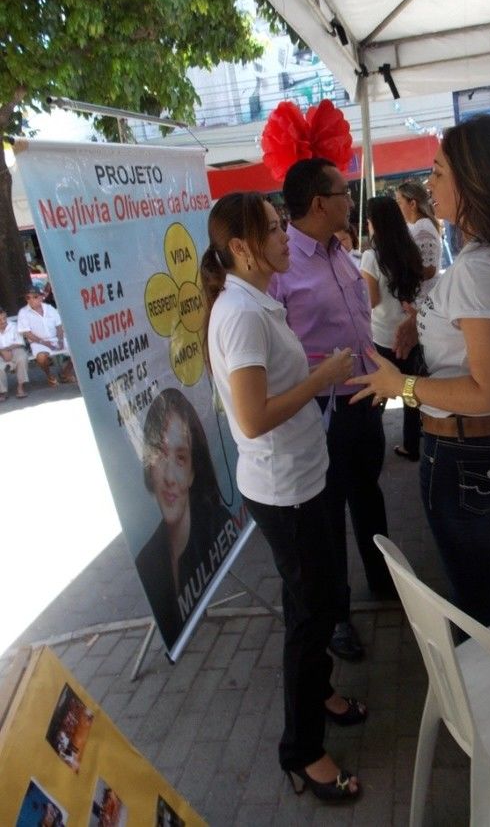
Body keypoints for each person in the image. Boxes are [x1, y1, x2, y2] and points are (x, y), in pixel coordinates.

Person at [349, 114, 490, 628]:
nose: (430, 183)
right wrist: (422, 320)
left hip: (471, 452)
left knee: (477, 596)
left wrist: (401, 386)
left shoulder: (480, 267)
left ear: (474, 183)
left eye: (440, 172)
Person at [202, 191, 363, 803]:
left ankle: (320, 692)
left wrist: (313, 370)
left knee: (313, 602)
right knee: (311, 614)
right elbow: (251, 417)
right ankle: (302, 751)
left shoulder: (256, 300)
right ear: (242, 248)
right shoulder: (242, 314)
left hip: (302, 476)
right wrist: (322, 377)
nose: (283, 235)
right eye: (272, 228)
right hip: (285, 489)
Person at [270, 158, 396, 663]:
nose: (352, 199)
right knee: (328, 516)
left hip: (364, 397)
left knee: (369, 495)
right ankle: (338, 616)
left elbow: (359, 320)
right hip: (324, 412)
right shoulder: (282, 266)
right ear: (320, 203)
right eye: (344, 192)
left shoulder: (340, 251)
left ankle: (386, 581)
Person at [136, 388, 233, 649]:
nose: (169, 477)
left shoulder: (220, 528)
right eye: (159, 454)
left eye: (180, 458)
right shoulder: (146, 562)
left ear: (192, 472)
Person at [360, 195, 424, 461]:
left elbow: (371, 300)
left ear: (373, 223)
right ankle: (412, 445)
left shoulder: (370, 256)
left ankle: (370, 453)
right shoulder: (411, 249)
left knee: (378, 397)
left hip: (384, 337)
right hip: (413, 333)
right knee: (411, 392)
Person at [16, 286, 76, 386]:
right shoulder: (23, 312)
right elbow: (26, 332)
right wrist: (44, 342)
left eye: (35, 297)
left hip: (56, 338)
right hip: (38, 342)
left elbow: (59, 325)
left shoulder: (49, 308)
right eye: (28, 297)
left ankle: (65, 373)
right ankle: (49, 376)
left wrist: (60, 340)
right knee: (41, 358)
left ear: (41, 297)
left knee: (77, 349)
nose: (31, 300)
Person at [396, 179, 443, 301]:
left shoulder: (423, 228)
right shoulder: (413, 226)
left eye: (399, 203)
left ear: (412, 204)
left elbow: (429, 270)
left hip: (425, 299)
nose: (397, 208)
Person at [0, 308, 29, 400]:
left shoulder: (14, 326)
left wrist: (7, 349)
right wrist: (2, 352)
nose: (3, 321)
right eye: (0, 320)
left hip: (15, 349)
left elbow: (19, 343)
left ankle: (21, 387)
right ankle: (2, 391)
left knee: (22, 357)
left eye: (4, 318)